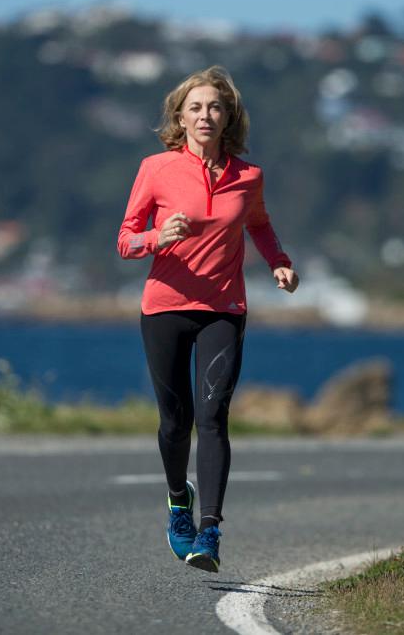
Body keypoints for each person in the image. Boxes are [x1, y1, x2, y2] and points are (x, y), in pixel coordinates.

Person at [117, 65, 299, 572]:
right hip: (165, 307)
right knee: (175, 424)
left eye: (215, 107)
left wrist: (279, 263)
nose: (205, 115)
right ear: (180, 116)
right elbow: (126, 239)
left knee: (213, 418)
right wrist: (159, 237)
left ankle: (210, 531)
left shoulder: (249, 176)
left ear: (228, 117)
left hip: (223, 309)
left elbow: (259, 225)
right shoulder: (156, 169)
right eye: (195, 107)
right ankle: (180, 500)